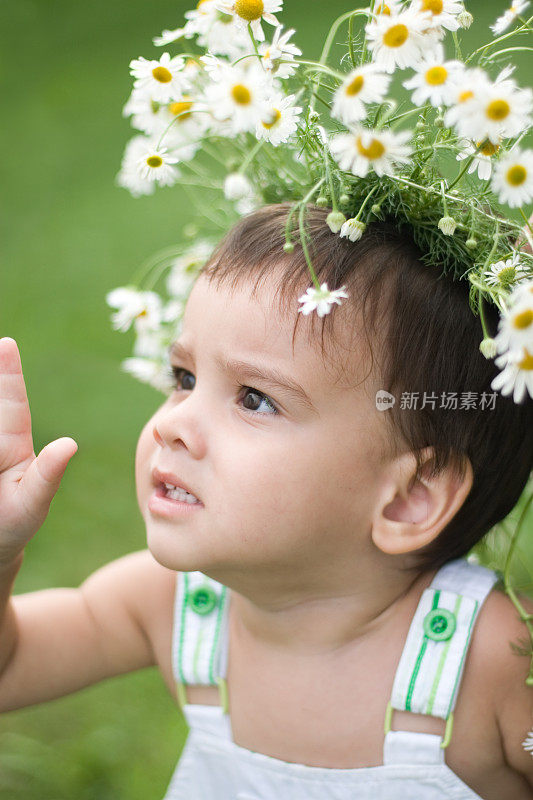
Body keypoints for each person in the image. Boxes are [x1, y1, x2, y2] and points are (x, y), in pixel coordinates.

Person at [0, 203, 532, 800]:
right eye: (184, 378)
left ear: (408, 498)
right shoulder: (169, 602)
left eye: (255, 399)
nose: (173, 426)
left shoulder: (494, 661)